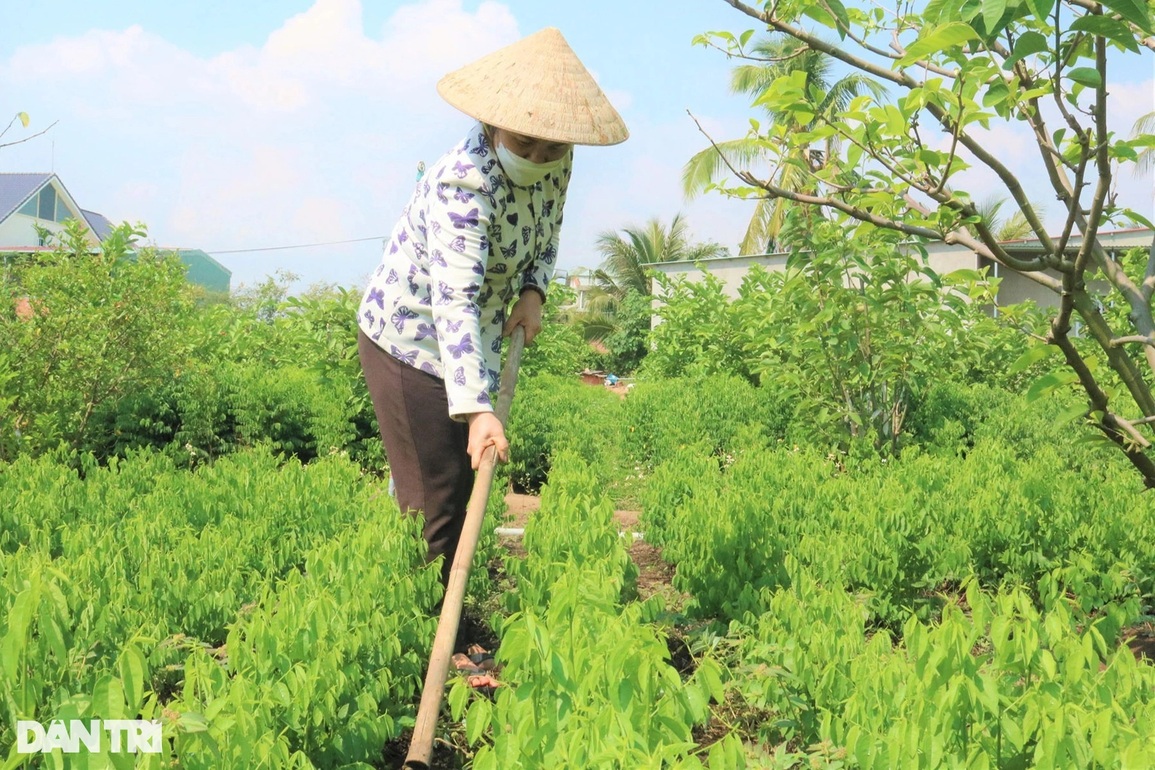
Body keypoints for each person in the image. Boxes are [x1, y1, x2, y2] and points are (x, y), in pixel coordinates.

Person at [356, 28, 627, 645]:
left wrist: (534, 290)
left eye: (549, 146)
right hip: (412, 339)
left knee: (449, 478)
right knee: (438, 492)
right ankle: (423, 633)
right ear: (493, 125)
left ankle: (445, 611)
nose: (535, 155)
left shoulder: (559, 158)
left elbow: (548, 229)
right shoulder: (464, 184)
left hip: (473, 335)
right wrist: (478, 410)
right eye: (522, 142)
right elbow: (452, 301)